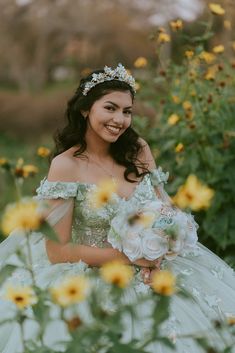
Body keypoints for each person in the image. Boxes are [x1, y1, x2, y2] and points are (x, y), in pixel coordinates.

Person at [0, 63, 235, 353]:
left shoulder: (138, 149)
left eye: (127, 111)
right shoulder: (66, 165)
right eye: (110, 108)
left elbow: (166, 208)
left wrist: (165, 245)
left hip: (155, 267)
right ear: (86, 109)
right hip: (93, 273)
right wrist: (130, 258)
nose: (119, 119)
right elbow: (58, 251)